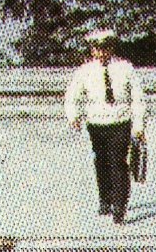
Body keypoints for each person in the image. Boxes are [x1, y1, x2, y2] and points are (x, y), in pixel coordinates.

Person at [63, 29, 147, 226]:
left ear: (111, 48)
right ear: (92, 51)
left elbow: (138, 97)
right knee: (101, 162)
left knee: (119, 163)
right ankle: (105, 198)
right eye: (97, 49)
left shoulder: (125, 68)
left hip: (120, 121)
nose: (101, 53)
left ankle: (120, 206)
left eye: (105, 48)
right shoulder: (85, 71)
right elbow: (73, 95)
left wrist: (139, 125)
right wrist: (73, 115)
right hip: (96, 123)